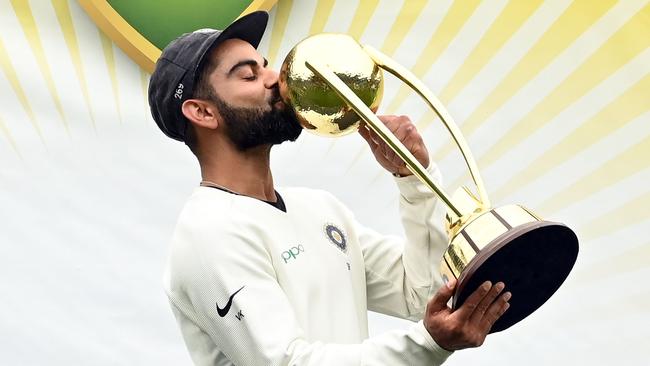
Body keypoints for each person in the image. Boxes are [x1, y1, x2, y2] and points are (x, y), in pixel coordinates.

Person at [148, 11, 510, 366]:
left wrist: (413, 180)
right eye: (249, 75)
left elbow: (420, 294)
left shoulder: (319, 209)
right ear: (203, 113)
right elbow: (288, 362)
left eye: (265, 64)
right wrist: (428, 344)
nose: (276, 78)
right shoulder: (208, 233)